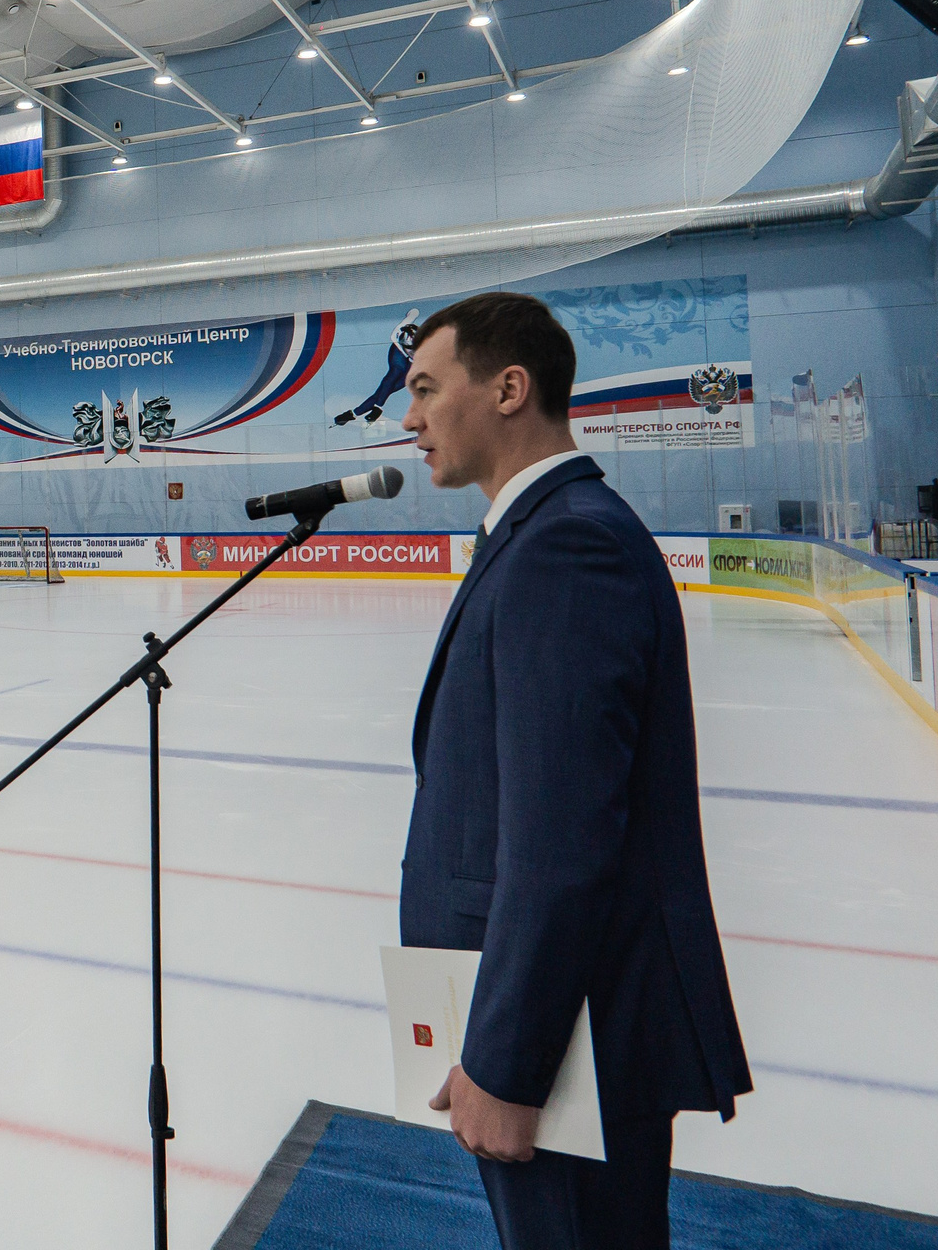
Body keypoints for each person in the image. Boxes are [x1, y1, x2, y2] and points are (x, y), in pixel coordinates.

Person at [395, 292, 750, 1249]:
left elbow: (560, 839)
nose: (410, 418)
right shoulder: (541, 531)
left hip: (566, 1036)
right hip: (550, 1016)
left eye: (426, 389)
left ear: (509, 389)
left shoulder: (566, 543)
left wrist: (508, 1064)